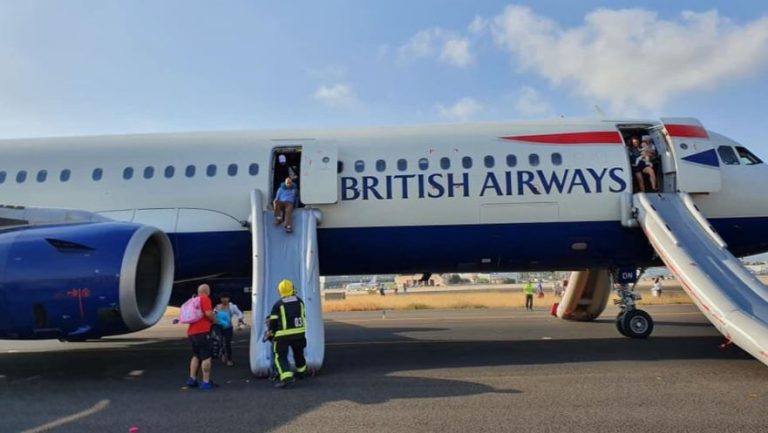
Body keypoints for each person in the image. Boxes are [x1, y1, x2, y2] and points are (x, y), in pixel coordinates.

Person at [266, 279, 308, 388]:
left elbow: (273, 322)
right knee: (298, 354)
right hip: (299, 333)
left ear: (280, 291)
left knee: (280, 357)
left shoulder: (278, 304)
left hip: (282, 336)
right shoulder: (300, 301)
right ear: (292, 288)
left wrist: (270, 334)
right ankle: (301, 372)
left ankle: (286, 378)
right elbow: (304, 316)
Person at [186, 284, 216, 390]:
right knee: (206, 357)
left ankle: (192, 379)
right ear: (208, 291)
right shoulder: (205, 299)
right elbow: (208, 313)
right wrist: (214, 319)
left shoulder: (194, 300)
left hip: (191, 332)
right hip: (203, 331)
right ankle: (206, 381)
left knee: (196, 355)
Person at [214, 293, 245, 366]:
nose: (224, 300)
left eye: (226, 298)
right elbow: (213, 314)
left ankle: (229, 359)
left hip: (228, 327)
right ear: (220, 299)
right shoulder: (217, 307)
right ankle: (223, 353)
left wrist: (240, 319)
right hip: (218, 327)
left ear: (228, 299)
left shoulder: (232, 307)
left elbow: (239, 313)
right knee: (220, 341)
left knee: (227, 343)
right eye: (223, 298)